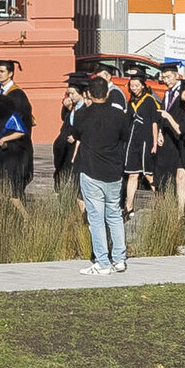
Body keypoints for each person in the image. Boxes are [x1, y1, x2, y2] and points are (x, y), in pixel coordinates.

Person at [63, 69, 136, 274]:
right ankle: (119, 259)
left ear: (89, 94)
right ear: (107, 92)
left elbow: (76, 133)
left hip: (91, 170)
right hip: (113, 170)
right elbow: (123, 136)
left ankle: (103, 262)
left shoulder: (82, 115)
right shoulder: (118, 115)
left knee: (96, 217)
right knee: (114, 214)